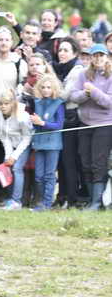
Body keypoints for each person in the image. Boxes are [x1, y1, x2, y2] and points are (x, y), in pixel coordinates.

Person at [70, 44, 112, 210]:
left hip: (105, 125)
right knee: (85, 161)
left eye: (101, 55)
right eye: (95, 56)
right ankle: (91, 199)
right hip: (85, 124)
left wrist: (93, 91)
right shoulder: (83, 75)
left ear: (107, 57)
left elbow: (108, 103)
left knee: (98, 163)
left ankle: (96, 202)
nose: (98, 58)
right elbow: (73, 96)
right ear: (91, 58)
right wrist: (85, 94)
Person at [53, 37, 85, 209]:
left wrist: (50, 75)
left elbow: (64, 95)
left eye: (66, 50)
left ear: (74, 53)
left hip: (72, 118)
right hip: (61, 117)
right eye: (60, 50)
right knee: (61, 160)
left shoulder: (76, 70)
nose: (62, 53)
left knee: (69, 159)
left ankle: (72, 198)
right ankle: (62, 195)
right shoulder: (62, 70)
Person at [0, 89, 33, 210]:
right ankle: (10, 198)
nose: (3, 106)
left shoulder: (22, 116)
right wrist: (8, 156)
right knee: (6, 167)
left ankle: (17, 201)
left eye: (6, 104)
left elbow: (27, 137)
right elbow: (3, 137)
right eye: (1, 104)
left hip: (24, 144)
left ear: (13, 103)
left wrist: (14, 156)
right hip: (10, 144)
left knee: (17, 168)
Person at [30, 76, 65, 211]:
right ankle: (40, 201)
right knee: (39, 175)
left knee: (49, 175)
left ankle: (47, 203)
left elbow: (59, 125)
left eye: (49, 87)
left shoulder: (59, 103)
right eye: (43, 87)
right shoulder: (37, 102)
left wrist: (42, 123)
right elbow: (35, 122)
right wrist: (32, 121)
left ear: (54, 88)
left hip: (53, 144)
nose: (45, 90)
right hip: (39, 143)